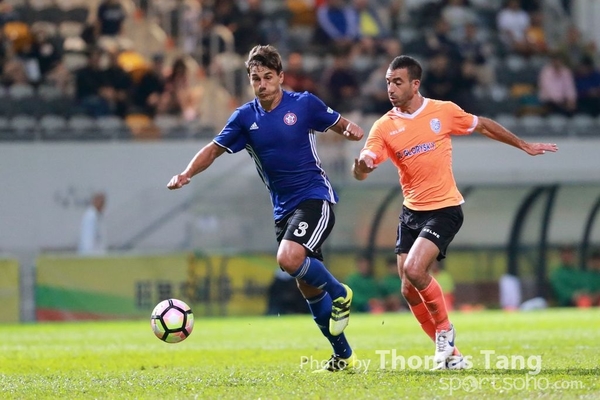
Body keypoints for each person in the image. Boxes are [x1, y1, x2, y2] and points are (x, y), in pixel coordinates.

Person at [352, 55, 558, 370]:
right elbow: (364, 166)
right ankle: (452, 356)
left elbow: (483, 125)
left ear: (415, 84)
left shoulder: (443, 111)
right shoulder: (383, 126)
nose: (391, 88)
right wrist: (361, 167)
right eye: (388, 82)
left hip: (444, 209)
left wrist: (523, 145)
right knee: (407, 289)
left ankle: (445, 331)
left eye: (398, 82)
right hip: (411, 213)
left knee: (416, 271)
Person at [167, 44, 364, 372]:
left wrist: (350, 130)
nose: (262, 84)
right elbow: (213, 149)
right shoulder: (245, 118)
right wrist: (187, 173)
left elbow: (340, 123)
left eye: (268, 77)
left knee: (288, 259)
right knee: (307, 285)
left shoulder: (303, 104)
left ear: (280, 77)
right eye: (255, 78)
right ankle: (344, 356)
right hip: (283, 211)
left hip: (315, 198)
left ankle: (340, 292)